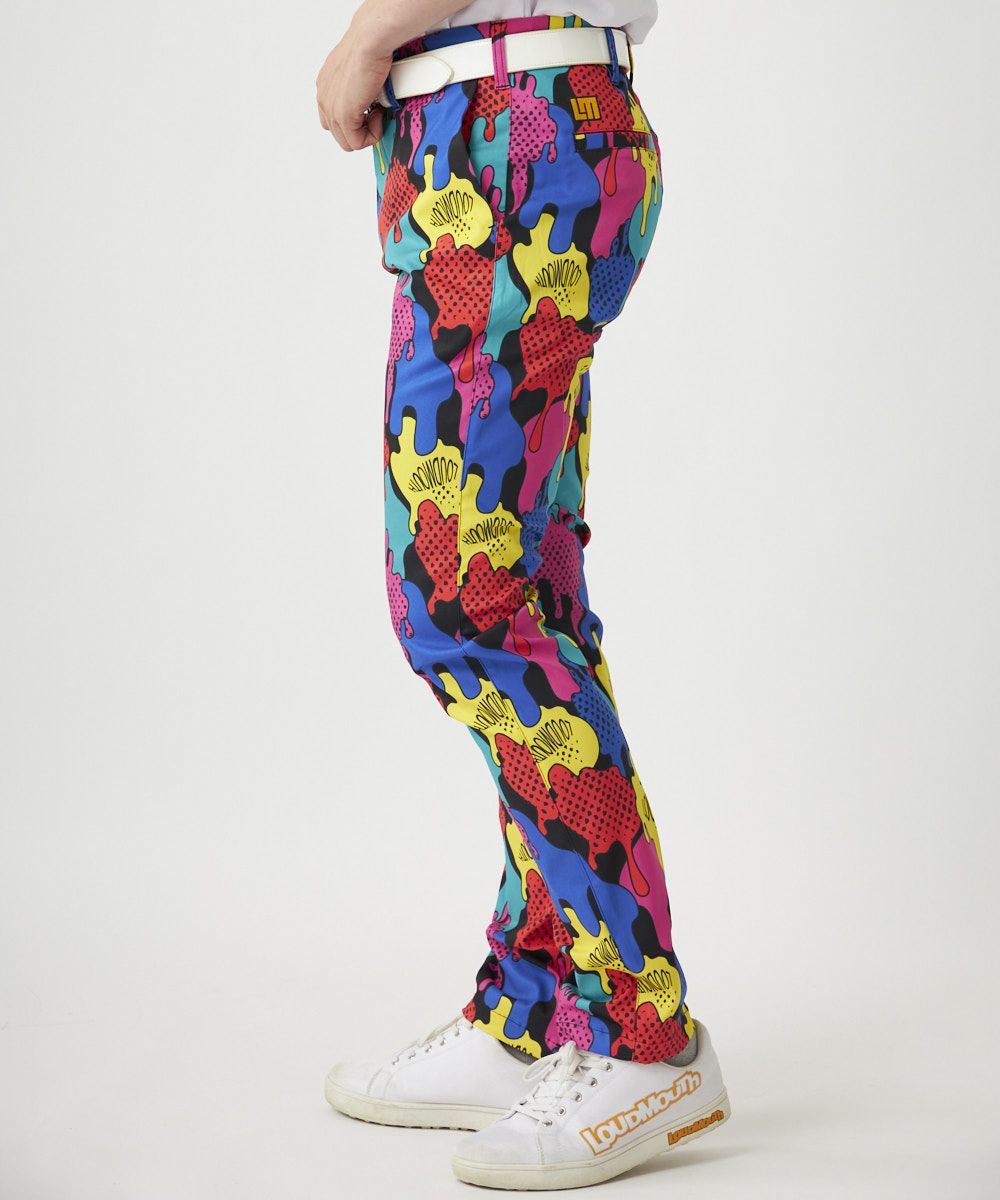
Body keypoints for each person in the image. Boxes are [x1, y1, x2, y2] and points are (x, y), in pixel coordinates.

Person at [315, 2, 731, 1188]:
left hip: (507, 129)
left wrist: (364, 39)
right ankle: (539, 1007)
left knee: (464, 605)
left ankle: (641, 1034)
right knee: (520, 590)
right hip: (503, 131)